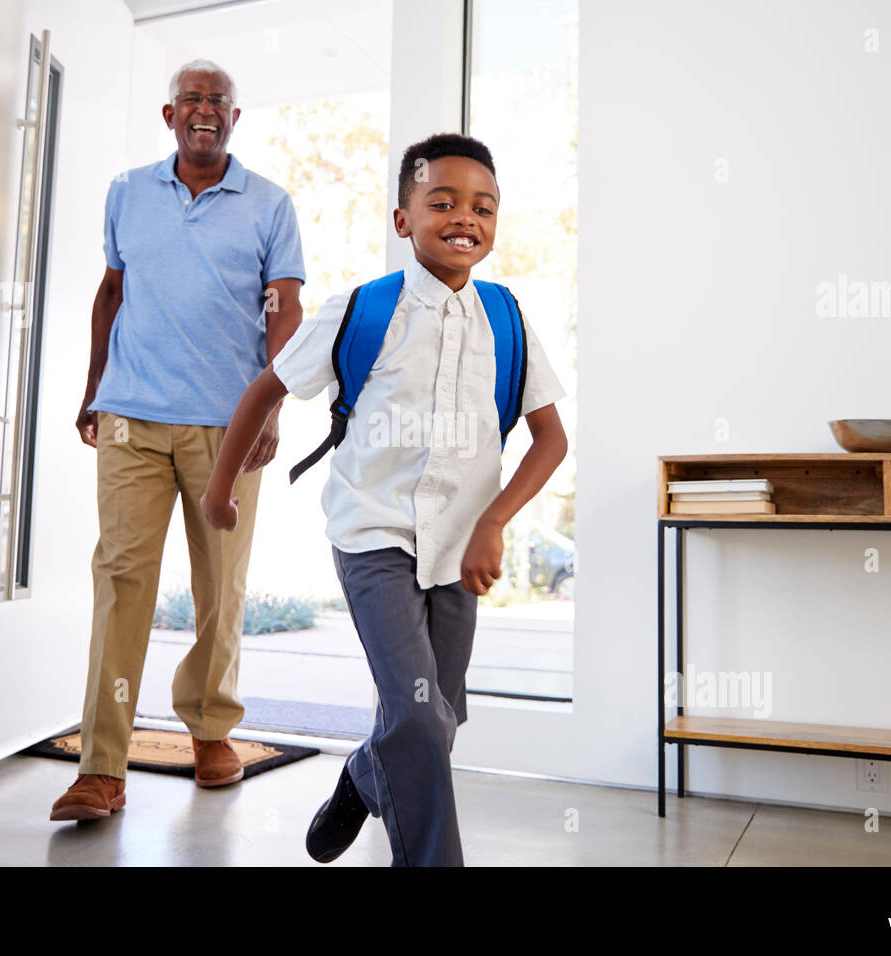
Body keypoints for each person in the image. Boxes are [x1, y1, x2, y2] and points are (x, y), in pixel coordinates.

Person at [200, 133, 568, 865]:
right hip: (372, 535)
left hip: (461, 545)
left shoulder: (507, 319)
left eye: (483, 207)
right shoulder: (361, 310)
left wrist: (494, 522)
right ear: (403, 220)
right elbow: (266, 389)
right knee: (418, 718)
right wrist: (220, 490)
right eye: (443, 202)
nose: (465, 217)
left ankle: (366, 774)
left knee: (440, 715)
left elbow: (552, 439)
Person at [49, 60, 305, 822]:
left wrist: (270, 410)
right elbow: (111, 292)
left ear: (234, 118)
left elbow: (284, 310)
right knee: (121, 581)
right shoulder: (128, 192)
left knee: (221, 585)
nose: (204, 110)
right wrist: (93, 388)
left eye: (217, 101)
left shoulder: (269, 204)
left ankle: (211, 731)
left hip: (227, 426)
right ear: (169, 116)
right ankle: (102, 765)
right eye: (191, 99)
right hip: (131, 416)